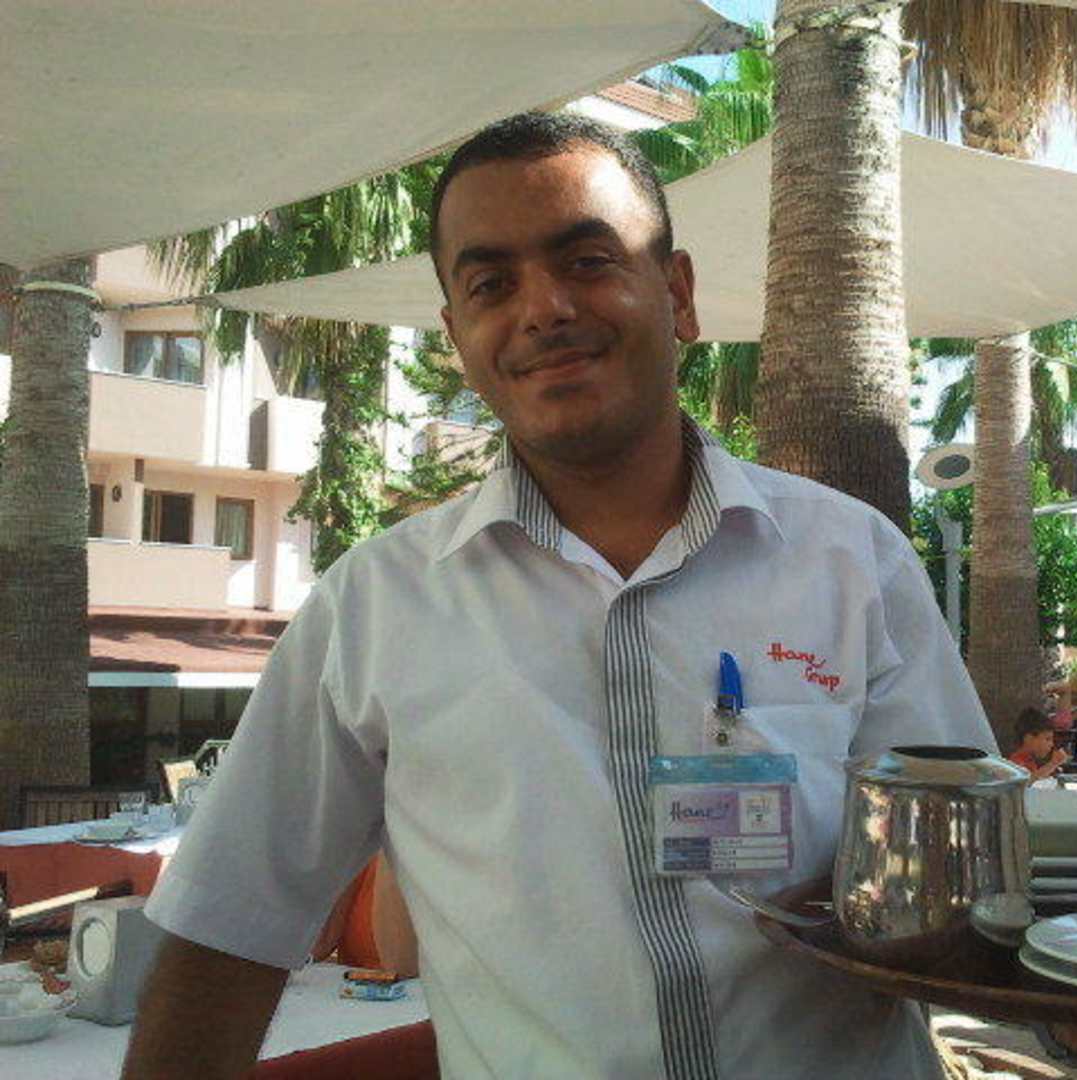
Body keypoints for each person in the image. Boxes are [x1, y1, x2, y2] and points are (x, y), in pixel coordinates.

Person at [123, 112, 994, 1080]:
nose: (543, 309)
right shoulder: (373, 608)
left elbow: (969, 883)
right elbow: (229, 926)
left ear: (678, 294)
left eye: (587, 261)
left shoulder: (852, 560)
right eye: (491, 285)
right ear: (459, 338)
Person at [310, 852, 419, 978]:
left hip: (413, 985)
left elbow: (401, 967)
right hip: (347, 985)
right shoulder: (357, 853)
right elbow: (313, 946)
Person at [1007, 708, 1069, 781]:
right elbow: (1027, 782)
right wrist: (1053, 763)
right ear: (1029, 738)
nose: (1051, 744)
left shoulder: (1031, 761)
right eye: (1047, 739)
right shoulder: (1016, 764)